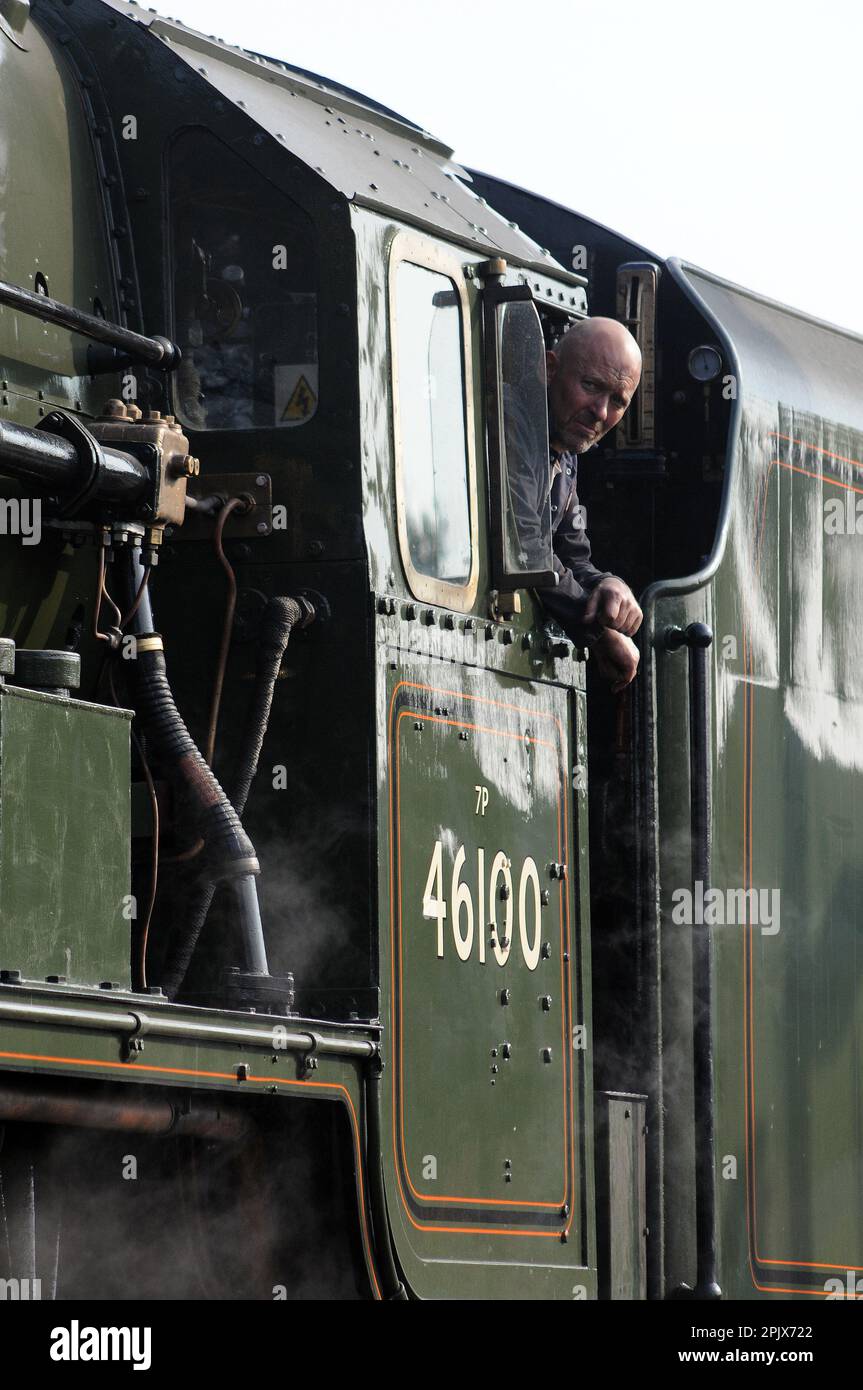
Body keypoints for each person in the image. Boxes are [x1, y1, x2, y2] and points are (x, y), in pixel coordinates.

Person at [520, 317, 643, 691]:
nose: (602, 413)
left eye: (618, 401)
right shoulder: (514, 429)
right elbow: (523, 544)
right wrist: (598, 630)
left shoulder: (567, 453)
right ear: (550, 368)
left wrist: (608, 585)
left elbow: (572, 554)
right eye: (590, 386)